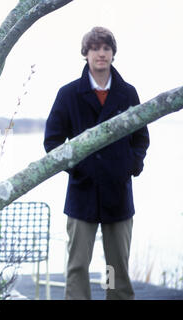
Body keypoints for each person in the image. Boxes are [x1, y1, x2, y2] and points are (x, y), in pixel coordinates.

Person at [43, 27, 150, 300]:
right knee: (77, 265)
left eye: (106, 48)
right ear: (86, 53)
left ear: (113, 53)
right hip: (82, 192)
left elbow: (141, 138)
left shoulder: (128, 93)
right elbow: (53, 142)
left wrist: (131, 165)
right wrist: (78, 169)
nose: (101, 54)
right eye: (95, 48)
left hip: (118, 192)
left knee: (116, 267)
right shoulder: (68, 94)